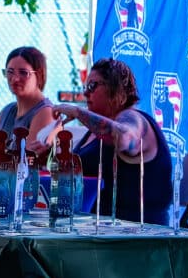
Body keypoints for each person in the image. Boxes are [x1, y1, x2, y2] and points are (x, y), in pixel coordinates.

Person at [52, 57, 172, 225]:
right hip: (97, 226)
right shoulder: (96, 129)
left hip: (135, 233)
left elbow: (122, 138)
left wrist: (78, 112)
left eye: (93, 86)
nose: (86, 93)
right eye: (86, 87)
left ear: (115, 88)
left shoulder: (133, 118)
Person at [0, 46, 55, 148]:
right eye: (10, 72)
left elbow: (26, 159)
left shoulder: (46, 112)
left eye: (23, 73)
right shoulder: (8, 110)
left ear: (39, 75)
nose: (15, 79)